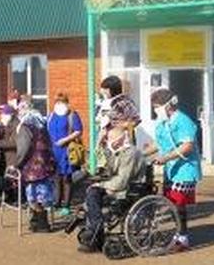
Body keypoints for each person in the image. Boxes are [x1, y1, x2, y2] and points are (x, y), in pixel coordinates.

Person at [144, 88, 202, 251]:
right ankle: (178, 233)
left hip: (185, 169)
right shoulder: (163, 123)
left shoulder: (183, 121)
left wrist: (166, 158)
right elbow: (159, 143)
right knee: (171, 202)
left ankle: (183, 238)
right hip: (171, 169)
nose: (155, 110)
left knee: (178, 204)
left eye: (157, 107)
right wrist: (140, 154)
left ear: (168, 105)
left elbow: (187, 146)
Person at [79, 126, 146, 252]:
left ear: (118, 140)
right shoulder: (117, 152)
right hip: (119, 185)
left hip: (129, 189)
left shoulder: (131, 153)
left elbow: (122, 180)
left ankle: (95, 228)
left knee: (94, 193)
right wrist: (99, 144)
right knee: (91, 191)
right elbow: (104, 166)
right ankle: (95, 228)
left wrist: (103, 185)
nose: (107, 141)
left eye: (109, 139)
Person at [15, 109, 55, 233]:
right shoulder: (43, 128)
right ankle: (37, 221)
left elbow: (24, 147)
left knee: (32, 196)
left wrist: (17, 163)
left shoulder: (25, 128)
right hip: (45, 164)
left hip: (32, 166)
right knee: (43, 195)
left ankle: (41, 223)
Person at [46, 93, 83, 217]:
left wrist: (65, 140)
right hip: (53, 151)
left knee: (66, 178)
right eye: (57, 102)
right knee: (56, 177)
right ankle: (56, 202)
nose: (59, 104)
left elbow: (78, 131)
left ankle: (66, 205)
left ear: (67, 103)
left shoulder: (72, 115)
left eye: (62, 102)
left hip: (66, 151)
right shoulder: (51, 115)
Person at [0, 104, 19, 199]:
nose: (1, 116)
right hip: (5, 156)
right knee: (6, 178)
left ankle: (15, 197)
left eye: (3, 114)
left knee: (12, 178)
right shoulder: (6, 124)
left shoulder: (16, 125)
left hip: (12, 156)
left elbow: (14, 143)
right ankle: (9, 195)